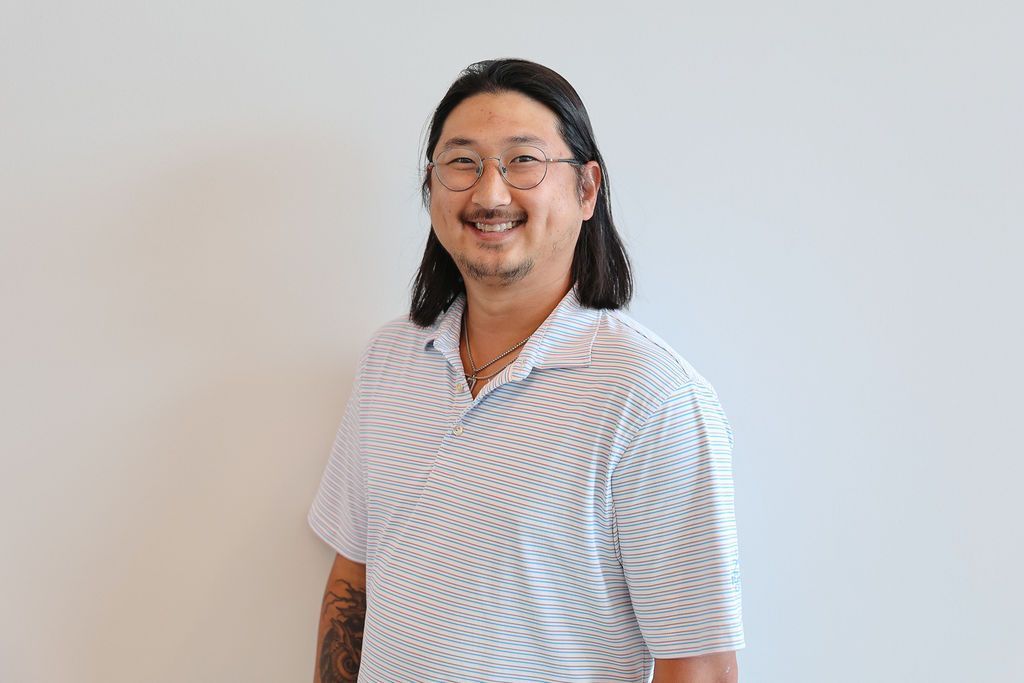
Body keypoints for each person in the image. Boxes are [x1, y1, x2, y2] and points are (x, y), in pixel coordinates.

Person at [308, 58, 744, 683]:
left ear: (587, 190)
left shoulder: (653, 397)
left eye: (523, 162)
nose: (489, 194)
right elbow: (353, 578)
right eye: (462, 162)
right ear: (430, 187)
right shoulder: (389, 360)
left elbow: (699, 666)